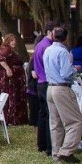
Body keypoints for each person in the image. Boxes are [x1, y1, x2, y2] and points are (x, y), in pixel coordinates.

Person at [44, 26, 81, 163]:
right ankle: (66, 152)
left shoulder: (48, 50)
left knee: (55, 124)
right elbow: (66, 73)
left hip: (50, 88)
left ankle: (56, 153)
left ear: (53, 36)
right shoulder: (63, 52)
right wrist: (75, 69)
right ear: (65, 38)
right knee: (75, 122)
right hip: (61, 88)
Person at [31, 22, 56, 156]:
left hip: (40, 82)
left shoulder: (39, 45)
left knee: (42, 114)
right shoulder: (48, 46)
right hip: (47, 82)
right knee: (49, 114)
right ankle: (49, 146)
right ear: (50, 32)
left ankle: (41, 143)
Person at [0, 34, 29, 125]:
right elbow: (1, 59)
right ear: (7, 41)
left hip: (16, 78)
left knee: (16, 97)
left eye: (14, 40)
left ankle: (17, 118)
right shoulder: (6, 49)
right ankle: (11, 119)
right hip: (11, 79)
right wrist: (8, 68)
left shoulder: (10, 50)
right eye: (11, 40)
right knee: (12, 97)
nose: (14, 42)